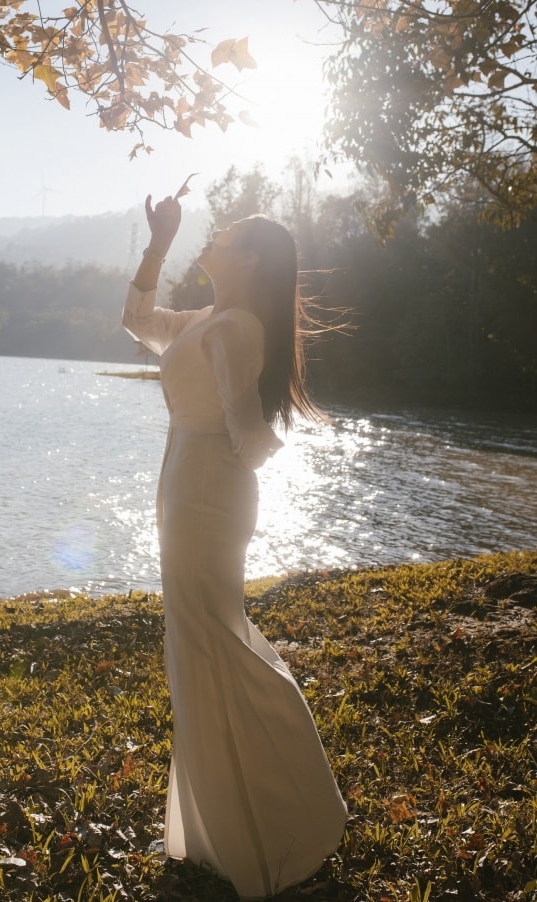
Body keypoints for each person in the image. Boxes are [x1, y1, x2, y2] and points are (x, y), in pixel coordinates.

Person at [122, 191, 347, 900]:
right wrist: (159, 244)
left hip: (207, 490)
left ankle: (280, 813)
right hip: (187, 484)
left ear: (249, 259)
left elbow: (248, 444)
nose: (210, 235)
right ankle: (223, 831)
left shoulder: (237, 328)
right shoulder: (206, 319)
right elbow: (136, 321)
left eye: (226, 233)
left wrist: (259, 444)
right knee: (200, 642)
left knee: (212, 640)